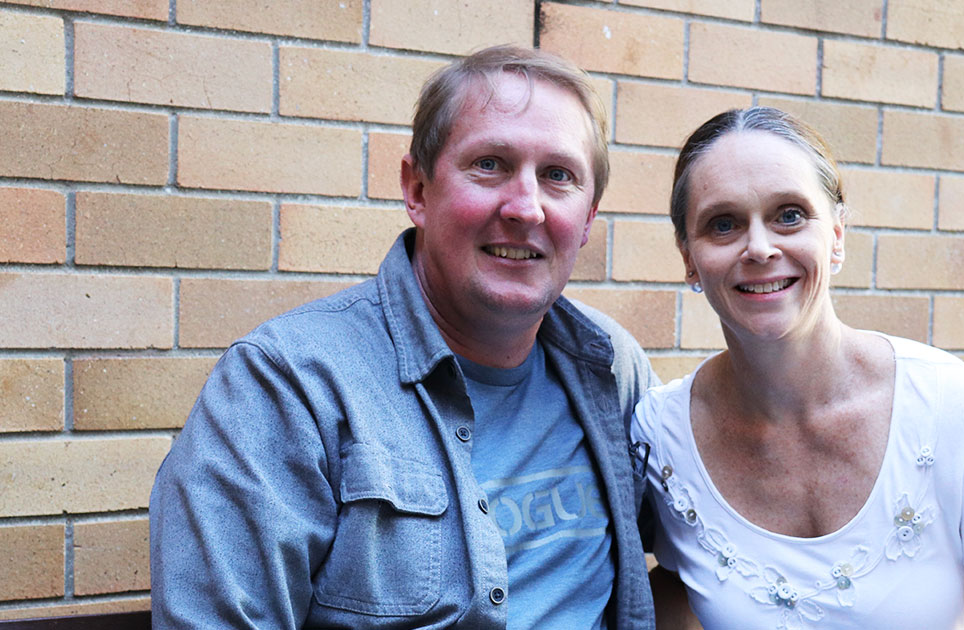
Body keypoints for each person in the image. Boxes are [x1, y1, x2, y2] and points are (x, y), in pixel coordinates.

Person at [150, 45, 658, 630]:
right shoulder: (285, 387)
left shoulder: (611, 370)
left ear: (589, 217)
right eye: (489, 164)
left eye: (558, 176)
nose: (526, 208)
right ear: (417, 189)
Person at [632, 107, 964, 630]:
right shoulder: (664, 436)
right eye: (723, 224)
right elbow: (676, 584)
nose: (759, 248)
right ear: (688, 258)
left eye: (789, 215)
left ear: (836, 236)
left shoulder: (960, 414)